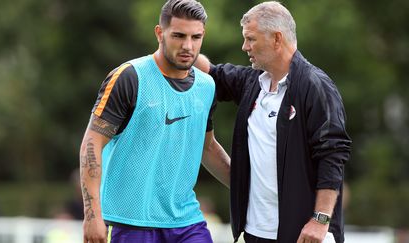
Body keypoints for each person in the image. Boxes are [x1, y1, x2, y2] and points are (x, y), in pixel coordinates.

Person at [195, 2, 351, 243]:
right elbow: (211, 72)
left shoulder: (315, 85)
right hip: (256, 232)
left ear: (277, 39)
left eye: (251, 39)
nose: (244, 46)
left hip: (305, 234)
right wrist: (179, 47)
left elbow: (333, 156)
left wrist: (320, 221)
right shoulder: (252, 82)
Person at [79, 0, 230, 242]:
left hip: (186, 221)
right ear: (160, 33)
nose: (188, 46)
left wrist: (249, 187)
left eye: (195, 37)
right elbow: (92, 143)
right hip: (129, 222)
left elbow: (207, 146)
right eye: (179, 36)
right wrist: (92, 214)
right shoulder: (129, 78)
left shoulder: (207, 86)